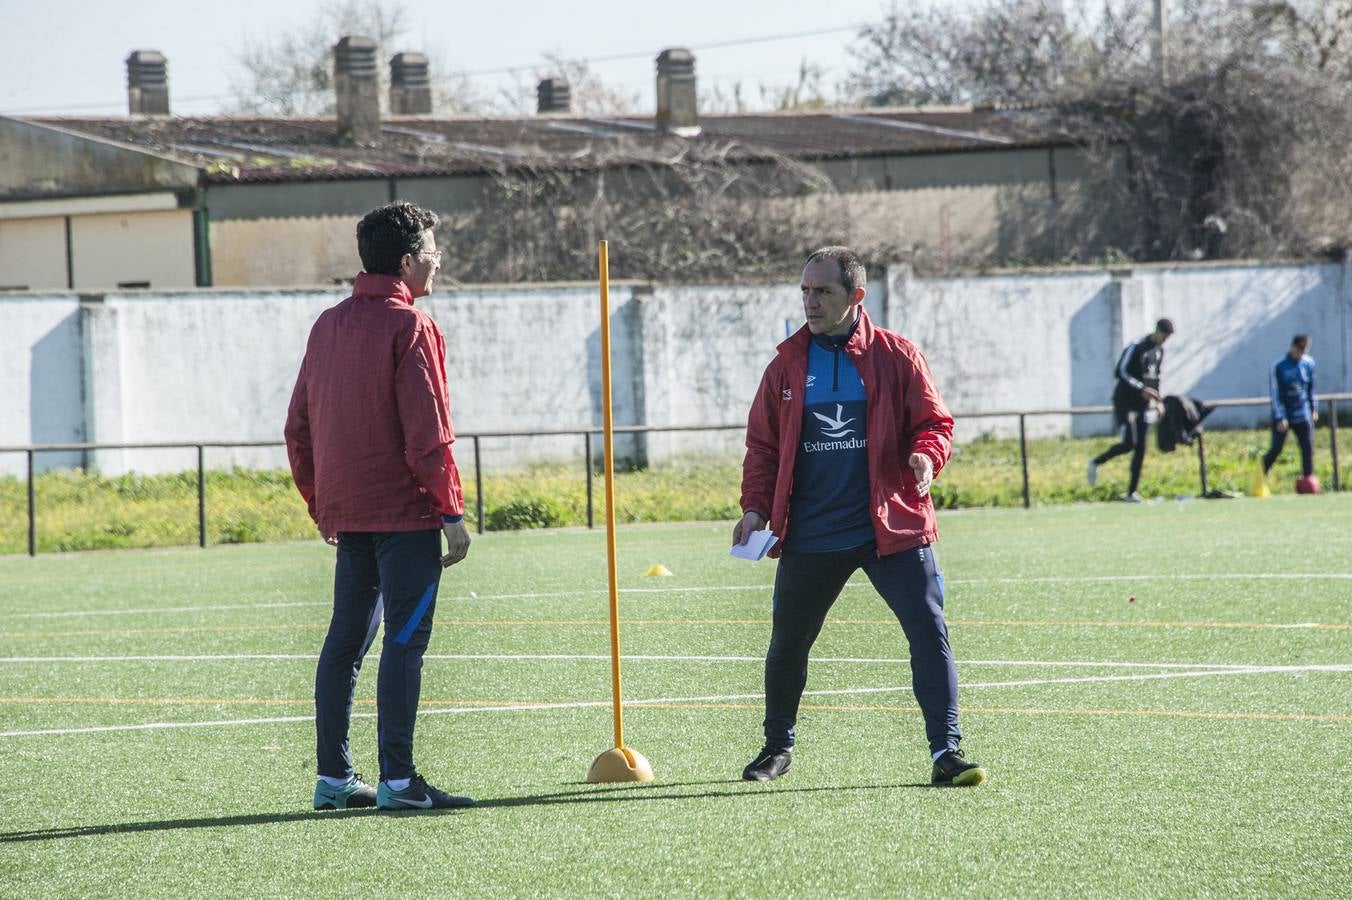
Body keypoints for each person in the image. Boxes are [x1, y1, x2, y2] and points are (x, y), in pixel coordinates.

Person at [733, 246, 986, 787]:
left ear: (856, 296)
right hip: (810, 534)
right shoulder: (785, 365)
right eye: (804, 291)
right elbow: (763, 448)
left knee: (929, 631)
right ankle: (777, 748)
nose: (810, 302)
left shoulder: (898, 356)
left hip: (891, 528)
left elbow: (935, 424)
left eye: (822, 291)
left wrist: (926, 456)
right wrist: (755, 508)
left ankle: (947, 751)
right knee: (788, 642)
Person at [285, 201, 474, 812]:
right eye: (430, 254)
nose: (437, 263)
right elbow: (428, 432)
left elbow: (298, 428)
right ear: (405, 261)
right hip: (406, 515)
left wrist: (323, 505)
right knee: (404, 641)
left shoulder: (327, 324)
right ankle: (398, 781)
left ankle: (334, 779)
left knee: (345, 642)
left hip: (350, 514)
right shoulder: (412, 326)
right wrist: (451, 513)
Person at [1087, 318, 1175, 502]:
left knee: (1141, 447)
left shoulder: (1159, 351)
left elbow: (1154, 377)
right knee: (1129, 443)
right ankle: (1096, 462)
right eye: (1164, 336)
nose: (1165, 340)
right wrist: (1141, 388)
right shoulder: (1136, 346)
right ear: (1157, 331)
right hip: (1124, 401)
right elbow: (1120, 371)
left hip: (1143, 404)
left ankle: (1131, 492)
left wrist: (1157, 399)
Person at [1263, 334, 1317, 478]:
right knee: (1276, 449)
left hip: (1302, 413)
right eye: (1299, 350)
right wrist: (1280, 417)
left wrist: (1313, 408)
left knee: (1308, 447)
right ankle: (1260, 476)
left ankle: (1308, 479)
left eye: (1304, 351)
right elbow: (1275, 394)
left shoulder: (1309, 363)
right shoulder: (1279, 365)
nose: (1301, 355)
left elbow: (1311, 388)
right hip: (1284, 415)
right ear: (1293, 347)